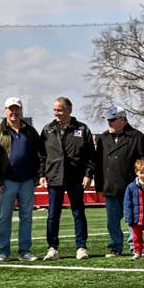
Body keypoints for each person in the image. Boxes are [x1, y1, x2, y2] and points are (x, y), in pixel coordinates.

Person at [0, 97, 42, 263]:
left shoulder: (30, 131)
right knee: (4, 218)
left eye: (17, 109)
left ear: (21, 111)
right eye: (11, 109)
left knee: (26, 217)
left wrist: (37, 177)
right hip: (6, 182)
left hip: (27, 182)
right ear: (5, 111)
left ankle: (24, 251)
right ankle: (4, 252)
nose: (14, 112)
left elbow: (39, 155)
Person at [39, 96, 96, 260]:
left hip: (76, 178)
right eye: (55, 110)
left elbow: (90, 156)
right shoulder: (47, 130)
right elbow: (41, 156)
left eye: (60, 110)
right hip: (54, 178)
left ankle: (81, 247)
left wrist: (88, 174)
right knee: (53, 214)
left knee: (78, 213)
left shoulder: (82, 129)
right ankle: (52, 248)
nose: (56, 113)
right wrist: (42, 174)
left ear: (69, 110)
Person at [94, 106, 144, 258]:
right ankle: (115, 247)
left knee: (133, 219)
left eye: (112, 120)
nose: (109, 123)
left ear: (123, 120)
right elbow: (98, 164)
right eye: (108, 120)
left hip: (132, 187)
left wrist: (143, 184)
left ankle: (136, 248)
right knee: (112, 220)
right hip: (110, 186)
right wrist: (99, 185)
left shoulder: (137, 137)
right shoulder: (103, 138)